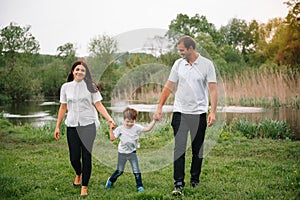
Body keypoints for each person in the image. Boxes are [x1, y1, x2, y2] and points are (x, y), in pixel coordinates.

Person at [153, 35, 218, 196]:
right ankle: (178, 182)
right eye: (179, 50)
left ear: (191, 48)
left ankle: (194, 180)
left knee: (197, 149)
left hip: (198, 113)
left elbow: (213, 89)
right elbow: (169, 86)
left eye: (182, 50)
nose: (180, 53)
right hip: (180, 112)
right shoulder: (178, 64)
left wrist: (213, 111)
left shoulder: (206, 65)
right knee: (179, 148)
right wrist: (159, 107)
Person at [53, 60, 115, 196]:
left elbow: (99, 105)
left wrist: (109, 119)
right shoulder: (66, 87)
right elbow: (63, 107)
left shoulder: (91, 87)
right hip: (72, 126)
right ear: (72, 72)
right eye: (77, 69)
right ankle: (78, 173)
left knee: (86, 156)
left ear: (85, 73)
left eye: (82, 70)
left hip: (88, 125)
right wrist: (57, 126)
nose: (79, 72)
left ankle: (84, 186)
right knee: (74, 157)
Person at [105, 107, 156, 192]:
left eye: (131, 121)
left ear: (135, 120)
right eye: (127, 121)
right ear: (124, 120)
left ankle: (139, 186)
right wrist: (111, 129)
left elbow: (147, 129)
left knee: (136, 170)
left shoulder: (136, 127)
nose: (129, 123)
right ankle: (110, 180)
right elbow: (112, 138)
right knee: (119, 171)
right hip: (122, 153)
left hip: (132, 152)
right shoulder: (120, 129)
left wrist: (154, 120)